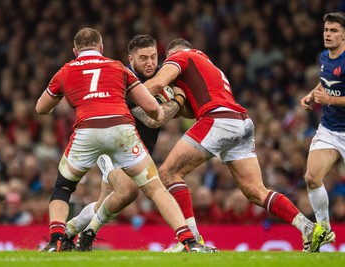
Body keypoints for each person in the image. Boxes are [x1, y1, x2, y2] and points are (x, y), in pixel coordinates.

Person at [36, 28, 214, 253]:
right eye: (143, 58)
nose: (149, 63)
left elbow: (189, 111)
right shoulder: (119, 73)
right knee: (132, 190)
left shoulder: (160, 75)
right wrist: (177, 99)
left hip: (96, 134)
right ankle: (188, 240)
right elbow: (154, 118)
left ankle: (67, 234)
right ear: (128, 58)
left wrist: (178, 101)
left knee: (94, 198)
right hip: (118, 140)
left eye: (153, 57)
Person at [143, 38, 327, 253]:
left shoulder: (181, 57)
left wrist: (127, 96)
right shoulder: (209, 66)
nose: (167, 62)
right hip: (241, 122)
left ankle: (192, 242)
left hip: (218, 120)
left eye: (167, 58)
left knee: (168, 172)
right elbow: (190, 112)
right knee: (255, 191)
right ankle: (309, 229)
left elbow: (156, 84)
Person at [299, 12, 345, 247]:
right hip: (330, 128)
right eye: (326, 30)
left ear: (344, 35)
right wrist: (312, 94)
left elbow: (330, 94)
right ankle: (324, 230)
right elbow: (325, 81)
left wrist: (329, 99)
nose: (328, 34)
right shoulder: (324, 57)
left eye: (334, 30)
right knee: (312, 177)